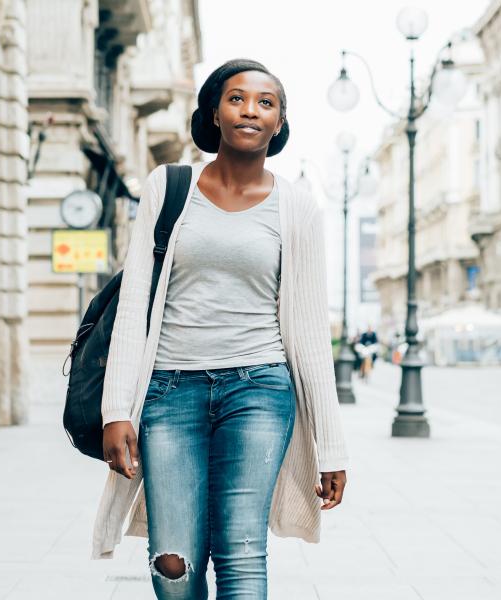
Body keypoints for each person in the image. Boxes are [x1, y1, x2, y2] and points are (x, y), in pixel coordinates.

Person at [95, 59, 348, 600]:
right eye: (237, 99)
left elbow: (308, 331)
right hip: (168, 390)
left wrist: (331, 448)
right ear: (214, 112)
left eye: (265, 102)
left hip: (259, 389)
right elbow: (136, 298)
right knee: (173, 560)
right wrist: (117, 408)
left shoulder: (298, 208)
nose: (250, 110)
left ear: (279, 122)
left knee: (240, 551)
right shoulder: (168, 187)